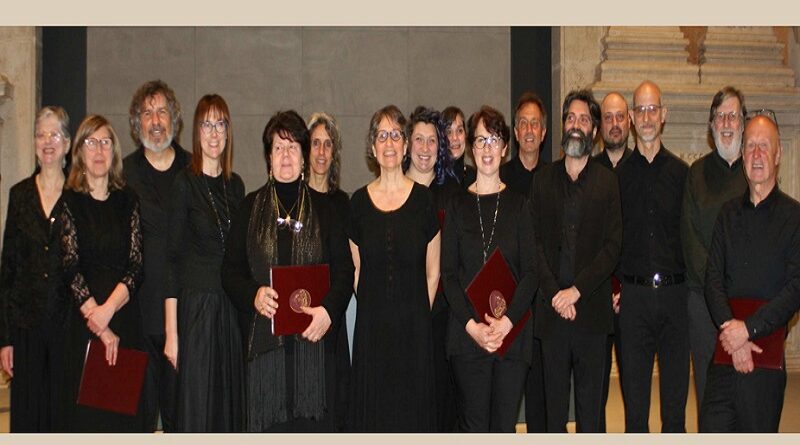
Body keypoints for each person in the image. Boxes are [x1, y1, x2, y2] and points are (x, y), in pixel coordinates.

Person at [222, 110, 354, 432]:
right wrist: (253, 295)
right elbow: (229, 272)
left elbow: (344, 272)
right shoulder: (249, 208)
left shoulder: (325, 209)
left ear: (303, 157)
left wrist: (328, 312)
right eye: (278, 148)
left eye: (293, 147)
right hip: (266, 354)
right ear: (268, 158)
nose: (285, 155)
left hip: (314, 349)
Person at [700, 112, 800, 433]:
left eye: (764, 146)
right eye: (751, 146)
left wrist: (749, 330)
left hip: (765, 355)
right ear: (742, 155)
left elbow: (795, 289)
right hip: (725, 350)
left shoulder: (794, 217)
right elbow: (712, 279)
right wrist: (734, 334)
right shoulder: (727, 214)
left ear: (778, 154)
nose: (757, 154)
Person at [441, 105, 536, 433]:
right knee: (475, 428)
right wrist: (474, 328)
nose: (487, 149)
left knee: (504, 429)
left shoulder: (520, 205)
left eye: (494, 140)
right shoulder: (456, 205)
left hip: (512, 336)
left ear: (505, 148)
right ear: (471, 147)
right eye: (480, 140)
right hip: (467, 336)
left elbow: (531, 273)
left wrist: (506, 323)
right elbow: (449, 276)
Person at [531, 90, 622, 432]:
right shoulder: (542, 180)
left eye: (584, 120)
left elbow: (612, 247)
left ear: (594, 131)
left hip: (591, 315)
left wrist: (576, 291)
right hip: (551, 314)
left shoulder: (607, 182)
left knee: (590, 416)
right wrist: (556, 293)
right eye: (571, 117)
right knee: (553, 415)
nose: (575, 125)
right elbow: (533, 244)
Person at [348, 105, 440, 432]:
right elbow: (356, 271)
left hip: (415, 331)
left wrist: (415, 315)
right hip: (372, 333)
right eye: (382, 136)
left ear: (405, 146)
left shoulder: (424, 201)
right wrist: (379, 311)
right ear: (373, 148)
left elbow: (433, 272)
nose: (389, 142)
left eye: (396, 135)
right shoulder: (357, 204)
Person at [163, 94, 246, 432]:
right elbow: (171, 260)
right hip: (196, 310)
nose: (214, 133)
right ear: (197, 132)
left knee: (228, 409)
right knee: (198, 408)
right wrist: (172, 334)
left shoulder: (236, 185)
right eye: (207, 125)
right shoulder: (184, 183)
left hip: (230, 310)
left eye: (220, 124)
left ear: (228, 132)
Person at [60, 115, 145, 432]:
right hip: (84, 325)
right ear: (79, 152)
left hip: (123, 320)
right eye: (91, 142)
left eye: (105, 142)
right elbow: (69, 267)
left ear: (114, 152)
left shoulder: (128, 199)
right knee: (87, 423)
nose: (98, 150)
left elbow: (137, 265)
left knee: (123, 422)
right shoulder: (69, 201)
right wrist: (99, 323)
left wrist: (108, 310)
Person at [617, 80, 689, 433]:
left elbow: (690, 239)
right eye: (640, 110)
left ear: (664, 115)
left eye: (653, 109)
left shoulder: (682, 174)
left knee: (675, 413)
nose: (646, 117)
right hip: (633, 301)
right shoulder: (617, 177)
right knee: (635, 415)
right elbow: (609, 239)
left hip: (675, 299)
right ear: (631, 118)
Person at [123, 79, 190, 432]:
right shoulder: (124, 173)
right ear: (137, 123)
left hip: (185, 315)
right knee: (139, 421)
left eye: (162, 111)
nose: (155, 121)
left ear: (174, 118)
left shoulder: (193, 169)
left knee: (183, 420)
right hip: (138, 318)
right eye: (147, 113)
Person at [0, 106, 71, 432]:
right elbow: (8, 270)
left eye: (54, 134)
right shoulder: (19, 195)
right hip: (25, 328)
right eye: (40, 135)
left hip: (66, 328)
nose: (47, 142)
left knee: (61, 419)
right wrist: (5, 339)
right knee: (28, 420)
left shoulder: (78, 196)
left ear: (67, 144)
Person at [680, 86, 748, 414]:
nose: (726, 123)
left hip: (746, 301)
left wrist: (737, 287)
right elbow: (690, 238)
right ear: (711, 125)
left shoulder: (756, 172)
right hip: (703, 302)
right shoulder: (696, 174)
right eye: (720, 117)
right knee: (709, 392)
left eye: (733, 116)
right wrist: (718, 288)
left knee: (745, 387)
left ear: (743, 123)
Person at [403, 105, 460, 432]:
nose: (425, 148)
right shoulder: (393, 192)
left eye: (432, 141)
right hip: (400, 315)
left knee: (440, 404)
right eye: (418, 139)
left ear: (440, 147)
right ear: (407, 144)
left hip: (441, 316)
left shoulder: (453, 195)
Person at [305, 111, 353, 431]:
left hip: (332, 323)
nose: (321, 152)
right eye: (315, 143)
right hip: (300, 321)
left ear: (334, 152)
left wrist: (328, 312)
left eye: (327, 144)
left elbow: (347, 269)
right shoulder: (293, 200)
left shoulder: (343, 204)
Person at [594, 91, 633, 431]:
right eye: (608, 117)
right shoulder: (590, 171)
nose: (615, 123)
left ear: (629, 121)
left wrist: (625, 288)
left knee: (635, 392)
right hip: (598, 296)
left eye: (620, 116)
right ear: (600, 125)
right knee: (596, 392)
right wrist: (606, 288)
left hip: (633, 297)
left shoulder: (641, 168)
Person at [501, 91, 548, 197]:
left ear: (543, 133)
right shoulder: (500, 179)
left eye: (534, 123)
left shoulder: (552, 179)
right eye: (523, 123)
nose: (529, 130)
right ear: (516, 133)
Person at [443, 106, 477, 188]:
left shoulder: (475, 178)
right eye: (448, 132)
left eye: (460, 130)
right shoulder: (432, 177)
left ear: (465, 135)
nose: (455, 137)